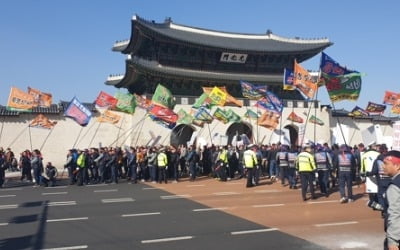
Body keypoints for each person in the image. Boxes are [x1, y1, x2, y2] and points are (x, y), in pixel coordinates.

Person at [382, 150, 400, 250]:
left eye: (386, 163)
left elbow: (395, 213)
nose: (383, 166)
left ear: (397, 166)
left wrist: (393, 241)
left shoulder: (395, 186)